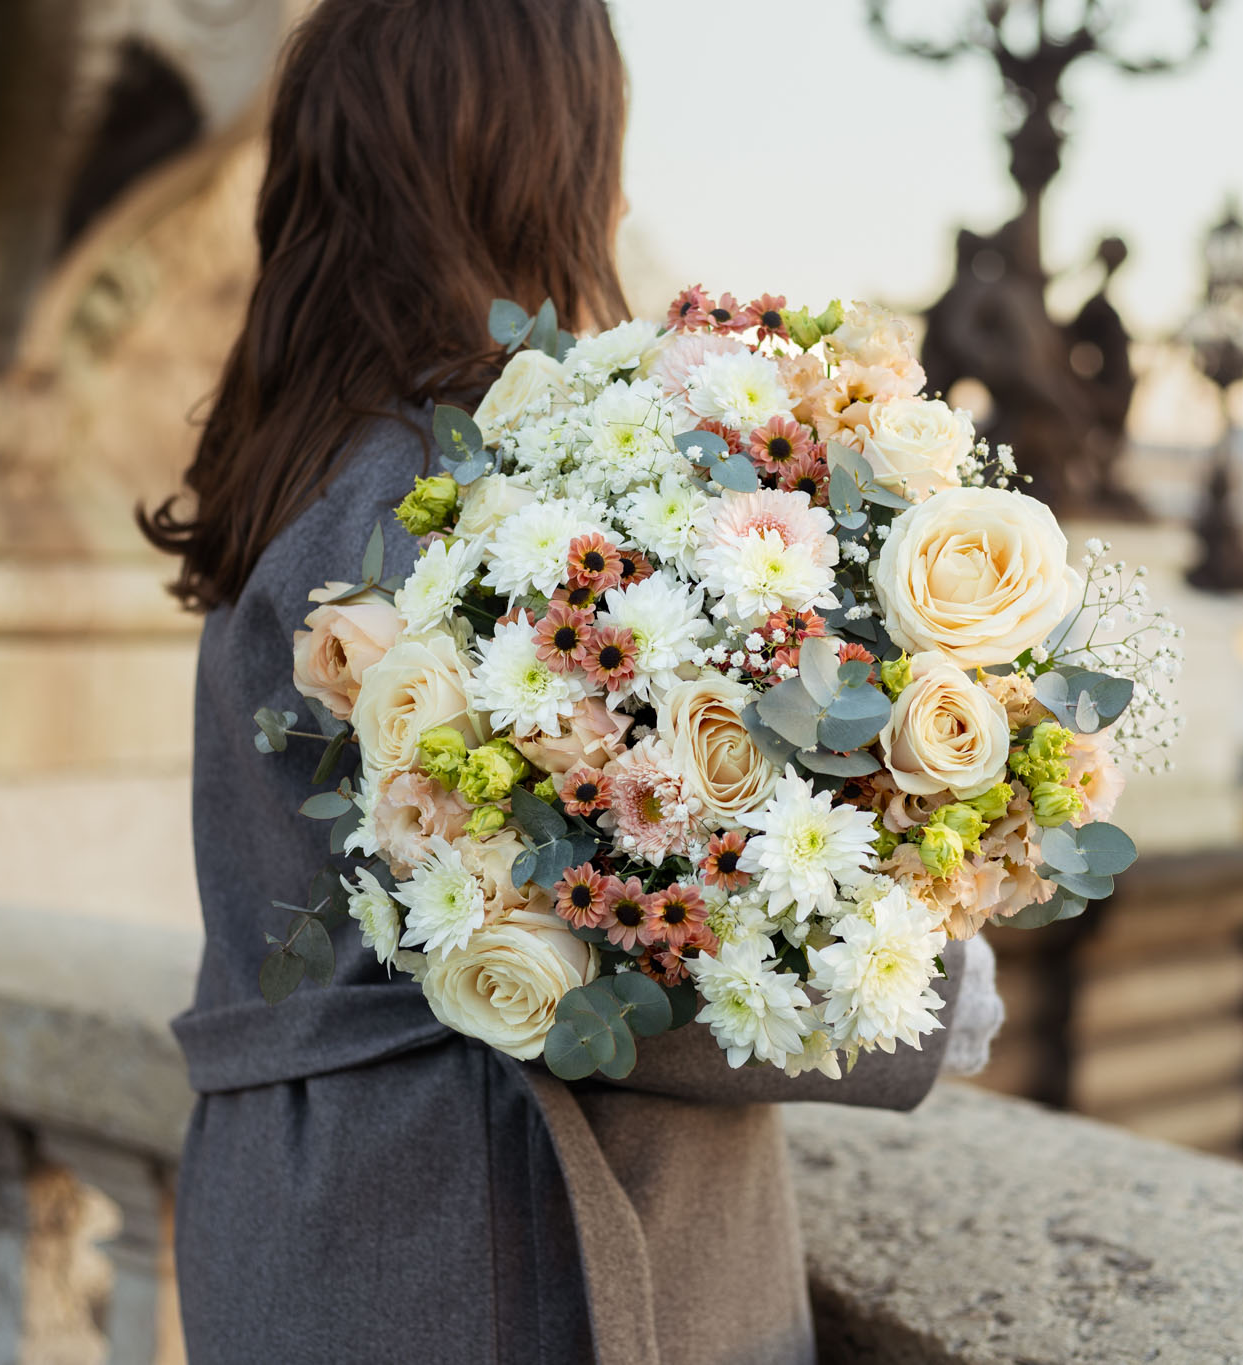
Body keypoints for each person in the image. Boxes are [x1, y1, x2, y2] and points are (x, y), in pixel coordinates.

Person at [138, 3, 1002, 1361]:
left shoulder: (295, 465)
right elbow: (611, 942)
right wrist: (926, 993)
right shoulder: (471, 497)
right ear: (552, 160)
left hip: (294, 1217)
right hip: (482, 1241)